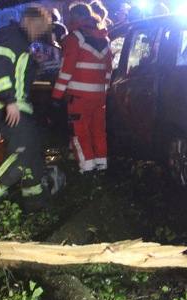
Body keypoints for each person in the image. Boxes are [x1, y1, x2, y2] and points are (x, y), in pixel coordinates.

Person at [0, 5, 53, 219]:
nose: (40, 32)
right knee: (22, 150)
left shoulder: (24, 41)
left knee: (33, 151)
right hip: (2, 105)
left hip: (17, 106)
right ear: (27, 20)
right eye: (38, 26)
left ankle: (36, 205)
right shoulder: (10, 35)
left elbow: (27, 68)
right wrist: (9, 100)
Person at [51, 2, 112, 178]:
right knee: (99, 131)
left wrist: (56, 96)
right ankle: (102, 166)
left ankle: (87, 169)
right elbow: (108, 71)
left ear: (76, 16)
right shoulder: (104, 38)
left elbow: (66, 71)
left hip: (78, 97)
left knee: (79, 133)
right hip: (99, 97)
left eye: (70, 16)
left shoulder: (74, 38)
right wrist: (103, 93)